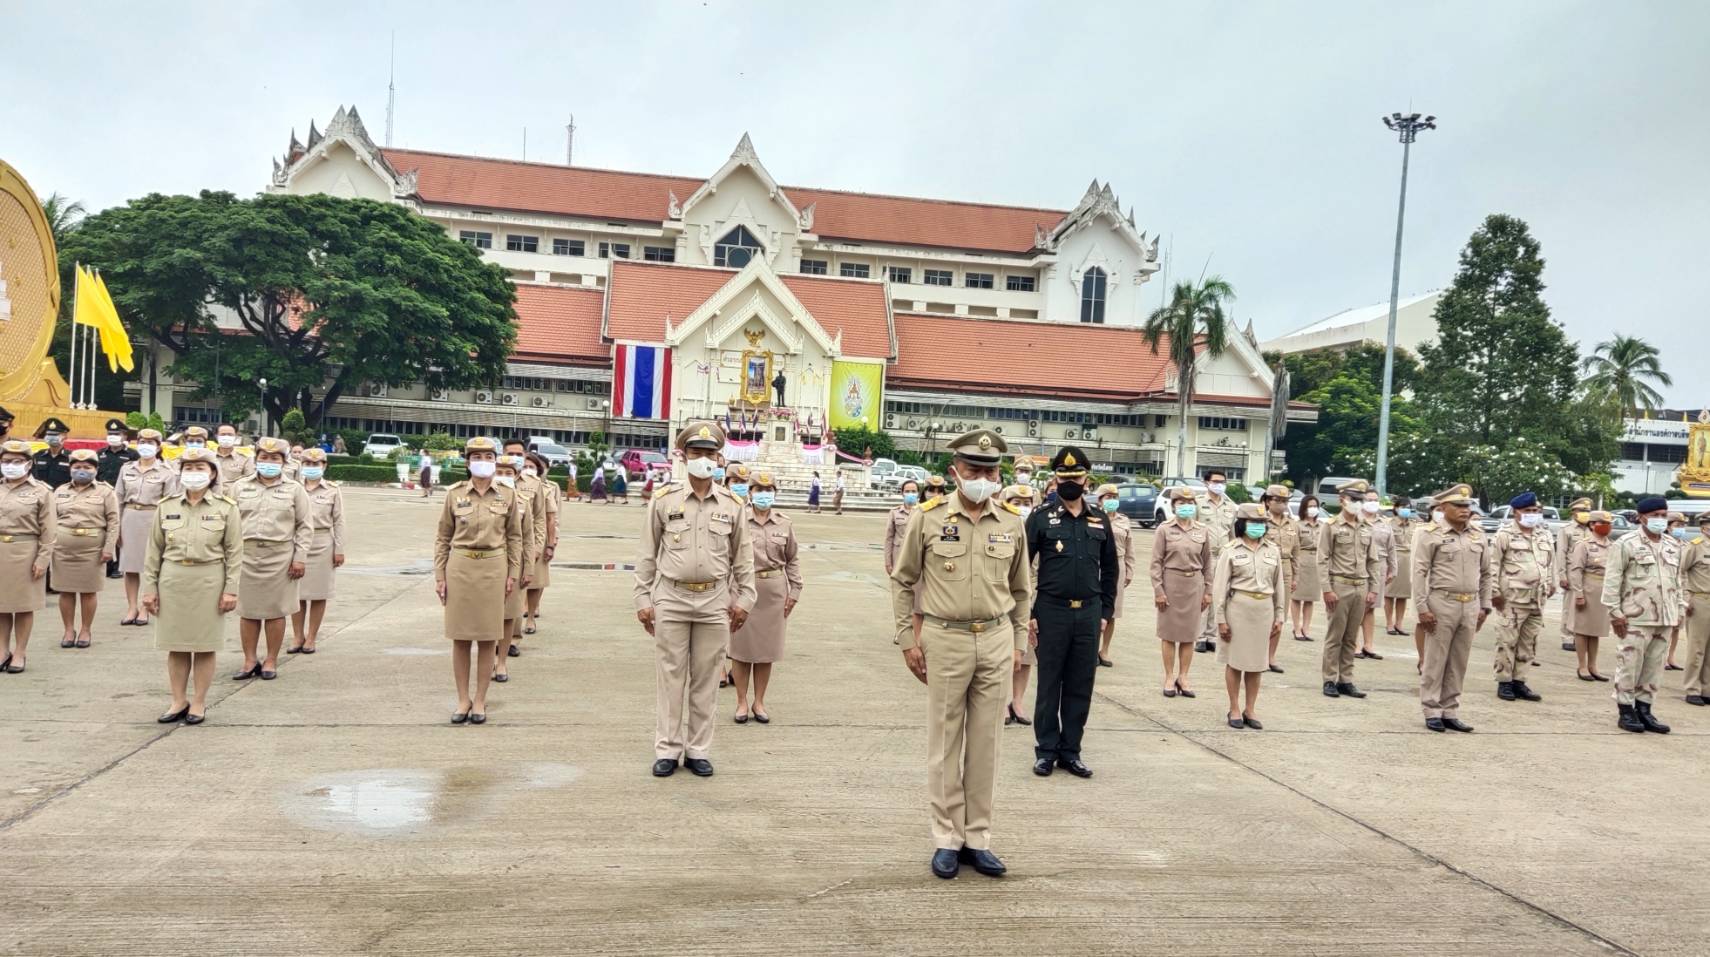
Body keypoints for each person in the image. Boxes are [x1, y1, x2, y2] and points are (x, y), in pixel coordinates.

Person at [889, 429, 1029, 880]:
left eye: (990, 471)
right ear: (955, 472)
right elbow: (903, 579)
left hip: (994, 637)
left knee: (987, 743)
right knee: (946, 741)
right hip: (945, 637)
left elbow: (1023, 590)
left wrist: (1019, 644)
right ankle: (946, 836)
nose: (982, 478)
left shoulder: (1011, 522)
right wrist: (907, 640)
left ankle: (978, 838)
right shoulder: (927, 518)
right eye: (974, 470)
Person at [635, 422, 753, 776]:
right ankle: (668, 749)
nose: (703, 459)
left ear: (720, 458)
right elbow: (646, 553)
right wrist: (642, 598)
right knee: (671, 676)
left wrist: (745, 599)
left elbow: (743, 558)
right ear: (683, 456)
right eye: (696, 453)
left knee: (706, 678)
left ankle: (698, 748)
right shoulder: (664, 500)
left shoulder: (733, 505)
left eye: (709, 453)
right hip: (671, 597)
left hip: (715, 600)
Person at [1024, 447, 1117, 778]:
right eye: (1064, 478)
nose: (1070, 483)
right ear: (1055, 479)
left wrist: (1106, 610)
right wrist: (1029, 612)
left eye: (1075, 478)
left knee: (1081, 683)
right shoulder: (1040, 517)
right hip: (1051, 611)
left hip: (1089, 614)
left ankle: (1071, 751)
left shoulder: (1099, 519)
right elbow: (1021, 567)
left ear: (1086, 479)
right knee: (1050, 683)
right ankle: (1046, 751)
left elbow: (1110, 570)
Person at [141, 447, 240, 724]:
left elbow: (234, 552)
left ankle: (198, 702)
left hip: (209, 579)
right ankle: (177, 700)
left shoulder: (225, 508)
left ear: (212, 474)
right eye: (188, 467)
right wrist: (149, 589)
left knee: (205, 645)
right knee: (177, 644)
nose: (193, 473)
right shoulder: (166, 506)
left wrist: (231, 589)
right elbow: (153, 551)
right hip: (172, 580)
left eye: (200, 468)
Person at [434, 437, 523, 725]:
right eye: (476, 456)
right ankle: (463, 699)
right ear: (467, 461)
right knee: (460, 638)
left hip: (494, 566)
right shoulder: (455, 494)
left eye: (488, 455)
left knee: (488, 638)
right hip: (460, 566)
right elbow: (443, 537)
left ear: (495, 460)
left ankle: (481, 700)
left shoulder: (507, 495)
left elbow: (514, 537)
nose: (482, 460)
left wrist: (513, 573)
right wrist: (440, 575)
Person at [229, 437, 312, 682]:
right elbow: (229, 523)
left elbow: (304, 526)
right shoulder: (240, 486)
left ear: (284, 462)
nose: (268, 462)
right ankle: (249, 659)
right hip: (246, 555)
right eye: (263, 457)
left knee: (276, 612)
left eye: (274, 458)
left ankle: (271, 659)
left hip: (280, 556)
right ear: (256, 460)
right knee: (248, 611)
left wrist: (300, 558)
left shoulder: (295, 489)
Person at [1411, 483, 1491, 732]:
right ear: (1443, 507)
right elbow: (1419, 572)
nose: (1465, 510)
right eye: (1458, 505)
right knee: (1436, 659)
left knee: (1459, 660)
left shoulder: (1478, 535)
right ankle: (1432, 709)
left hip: (1470, 603)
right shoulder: (1430, 534)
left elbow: (1487, 573)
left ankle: (1450, 709)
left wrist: (1485, 606)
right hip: (1441, 602)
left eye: (1467, 505)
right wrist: (1422, 608)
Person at [1603, 496, 1682, 733]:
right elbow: (1612, 580)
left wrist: (1679, 607)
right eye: (1655, 515)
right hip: (1635, 616)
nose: (1660, 519)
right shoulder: (1626, 543)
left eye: (1663, 514)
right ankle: (1626, 710)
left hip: (1665, 617)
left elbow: (1677, 580)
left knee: (1654, 666)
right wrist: (1615, 612)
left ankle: (1645, 709)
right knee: (1629, 663)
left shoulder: (1672, 545)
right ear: (1641, 517)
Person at [729, 470, 801, 724]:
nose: (764, 494)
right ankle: (741, 701)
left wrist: (795, 590)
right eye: (759, 490)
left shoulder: (784, 523)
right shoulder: (739, 519)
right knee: (740, 650)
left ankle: (759, 701)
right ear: (750, 493)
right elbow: (727, 557)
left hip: (773, 591)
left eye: (769, 490)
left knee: (765, 652)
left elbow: (792, 559)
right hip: (744, 587)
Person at [1214, 503, 1285, 729]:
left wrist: (1280, 614)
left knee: (1257, 664)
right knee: (1235, 662)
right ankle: (1234, 707)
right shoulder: (1231, 550)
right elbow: (1220, 588)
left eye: (1262, 523)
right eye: (1254, 523)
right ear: (1242, 524)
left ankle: (1250, 708)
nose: (1258, 527)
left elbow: (1279, 584)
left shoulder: (1272, 550)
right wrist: (1221, 619)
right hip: (1238, 610)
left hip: (1264, 609)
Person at [1490, 491, 1555, 703]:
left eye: (1536, 511)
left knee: (1529, 642)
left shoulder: (1543, 534)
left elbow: (1550, 563)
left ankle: (1520, 680)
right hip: (1512, 598)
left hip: (1537, 599)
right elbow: (1492, 565)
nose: (1533, 514)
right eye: (1528, 511)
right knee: (1507, 641)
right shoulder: (1505, 535)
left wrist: (1551, 583)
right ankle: (1504, 681)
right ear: (1516, 513)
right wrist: (1494, 592)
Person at [50, 449, 119, 649]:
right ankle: (68, 629)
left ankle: (86, 629)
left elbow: (113, 522)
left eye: (87, 467)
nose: (82, 470)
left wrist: (109, 548)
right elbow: (50, 520)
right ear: (70, 469)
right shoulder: (60, 491)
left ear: (96, 469)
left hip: (93, 549)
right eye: (77, 467)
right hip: (63, 548)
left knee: (89, 592)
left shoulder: (106, 491)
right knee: (65, 591)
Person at [1318, 479, 1379, 699]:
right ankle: (1329, 679)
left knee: (1352, 637)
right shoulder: (1331, 526)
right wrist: (1327, 589)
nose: (1357, 503)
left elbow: (1373, 560)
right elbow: (1322, 559)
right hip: (1340, 584)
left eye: (1360, 500)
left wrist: (1374, 588)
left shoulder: (1366, 527)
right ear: (1342, 500)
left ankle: (1346, 679)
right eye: (1353, 499)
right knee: (1335, 635)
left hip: (1360, 586)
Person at [0, 439, 57, 674]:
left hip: (25, 551)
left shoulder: (42, 491)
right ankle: (2, 650)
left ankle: (20, 651)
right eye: (5, 461)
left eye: (17, 461)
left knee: (23, 607)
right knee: (1, 607)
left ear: (29, 463)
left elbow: (49, 530)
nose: (10, 465)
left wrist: (43, 559)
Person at [1151, 486, 1212, 698]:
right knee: (1168, 635)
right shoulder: (1165, 529)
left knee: (1189, 636)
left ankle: (1183, 676)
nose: (1186, 507)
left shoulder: (1202, 530)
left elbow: (1207, 565)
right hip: (1171, 583)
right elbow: (1156, 563)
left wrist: (1208, 591)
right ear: (1174, 505)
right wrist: (1158, 590)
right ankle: (1169, 676)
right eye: (1181, 503)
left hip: (1194, 584)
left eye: (1189, 503)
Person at [115, 429, 178, 626]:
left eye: (151, 442)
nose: (146, 445)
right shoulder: (126, 468)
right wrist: (116, 526)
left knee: (151, 565)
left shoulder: (167, 472)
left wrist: (168, 528)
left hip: (154, 518)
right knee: (130, 566)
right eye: (142, 441)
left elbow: (170, 501)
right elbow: (118, 497)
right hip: (130, 516)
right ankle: (132, 606)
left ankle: (145, 606)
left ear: (159, 447)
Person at [288, 448, 344, 655]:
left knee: (319, 594)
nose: (312, 468)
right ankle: (297, 636)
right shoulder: (293, 488)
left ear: (324, 466)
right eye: (308, 464)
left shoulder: (332, 489)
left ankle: (311, 637)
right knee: (297, 593)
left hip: (322, 543)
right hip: (296, 542)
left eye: (316, 464)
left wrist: (339, 548)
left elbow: (339, 521)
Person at [489, 455, 539, 682]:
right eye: (499, 471)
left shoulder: (522, 502)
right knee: (488, 616)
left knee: (509, 615)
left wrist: (528, 568)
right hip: (489, 564)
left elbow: (527, 538)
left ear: (517, 475)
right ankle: (488, 659)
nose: (503, 476)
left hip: (514, 565)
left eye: (508, 472)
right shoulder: (482, 498)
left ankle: (501, 662)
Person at [1002, 483, 1039, 726]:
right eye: (1016, 503)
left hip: (1032, 602)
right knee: (1003, 655)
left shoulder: (1041, 530)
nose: (1023, 508)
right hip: (1003, 601)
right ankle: (1003, 702)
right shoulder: (999, 529)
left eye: (1027, 504)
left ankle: (1018, 701)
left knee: (1026, 655)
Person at [1193, 471, 1238, 653]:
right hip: (1205, 554)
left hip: (1225, 555)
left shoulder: (1230, 506)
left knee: (1220, 595)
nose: (1219, 485)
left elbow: (1233, 533)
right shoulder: (1198, 503)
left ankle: (1212, 636)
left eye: (1222, 482)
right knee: (1204, 594)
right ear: (1206, 483)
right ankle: (1200, 636)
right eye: (1215, 481)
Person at [1093, 483, 1137, 669]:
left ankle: (1104, 650)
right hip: (1095, 565)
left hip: (1117, 566)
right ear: (1100, 500)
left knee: (1111, 611)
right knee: (1093, 609)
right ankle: (1091, 649)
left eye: (1114, 497)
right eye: (1108, 497)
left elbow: (1129, 547)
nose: (1112, 501)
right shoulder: (1093, 518)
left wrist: (1129, 569)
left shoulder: (1124, 520)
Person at [1568, 510, 1615, 683]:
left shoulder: (1612, 545)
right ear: (1592, 525)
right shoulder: (1584, 544)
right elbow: (1576, 570)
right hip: (1587, 589)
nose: (1606, 527)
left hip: (1603, 592)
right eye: (1602, 523)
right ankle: (1582, 665)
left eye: (1608, 523)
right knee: (1582, 630)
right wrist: (1579, 593)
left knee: (1595, 631)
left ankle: (1593, 665)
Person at [1260, 485, 1299, 673]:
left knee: (1279, 615)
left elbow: (1296, 553)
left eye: (1285, 501)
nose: (1282, 504)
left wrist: (1295, 576)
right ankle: (1258, 656)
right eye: (1278, 500)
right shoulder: (1260, 520)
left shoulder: (1292, 524)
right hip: (1265, 569)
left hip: (1285, 569)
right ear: (1268, 501)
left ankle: (1270, 657)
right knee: (1262, 614)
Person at [521, 452, 558, 639]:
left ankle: (530, 618)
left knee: (535, 582)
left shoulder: (546, 489)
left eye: (532, 467)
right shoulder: (510, 484)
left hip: (538, 539)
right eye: (524, 466)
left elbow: (551, 518)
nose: (527, 470)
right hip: (515, 539)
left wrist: (550, 544)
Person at [1357, 489, 1397, 660]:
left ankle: (1368, 644)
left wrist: (1392, 569)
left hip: (1379, 567)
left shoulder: (1384, 523)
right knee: (1358, 606)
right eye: (1369, 499)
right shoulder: (1356, 520)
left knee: (1371, 607)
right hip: (1359, 566)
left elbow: (1391, 548)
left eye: (1375, 499)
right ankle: (1354, 643)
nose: (1373, 502)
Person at [884, 479, 923, 647]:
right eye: (907, 491)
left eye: (914, 491)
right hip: (899, 560)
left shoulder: (923, 511)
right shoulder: (894, 513)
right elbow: (888, 538)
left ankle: (917, 631)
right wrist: (888, 562)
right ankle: (901, 631)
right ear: (902, 493)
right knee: (901, 598)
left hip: (919, 562)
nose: (911, 494)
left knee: (918, 599)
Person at [98, 419, 137, 581]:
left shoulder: (133, 455)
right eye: (110, 434)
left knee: (120, 531)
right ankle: (106, 563)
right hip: (102, 497)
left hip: (122, 497)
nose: (113, 436)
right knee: (104, 530)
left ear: (124, 435)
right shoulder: (100, 453)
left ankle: (119, 565)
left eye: (117, 434)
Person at [1679, 512, 1710, 705]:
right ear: (1704, 527)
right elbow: (1680, 572)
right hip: (1700, 600)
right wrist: (1685, 599)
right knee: (1697, 647)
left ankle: (1707, 688)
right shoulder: (1696, 546)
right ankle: (1692, 688)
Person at [1556, 497, 1594, 652]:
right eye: (1582, 511)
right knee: (1570, 606)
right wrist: (1562, 576)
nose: (1585, 514)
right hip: (1572, 573)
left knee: (1586, 606)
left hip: (1589, 574)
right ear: (1573, 512)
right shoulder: (1567, 530)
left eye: (1587, 511)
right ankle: (1567, 636)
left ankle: (1581, 636)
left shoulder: (1592, 530)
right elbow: (1561, 553)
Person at [1383, 496, 1420, 636]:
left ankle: (1399, 623)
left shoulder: (1414, 524)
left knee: (1403, 595)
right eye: (1402, 507)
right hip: (1393, 558)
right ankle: (1389, 623)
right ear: (1396, 508)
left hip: (1408, 560)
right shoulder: (1388, 523)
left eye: (1407, 507)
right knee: (1389, 593)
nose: (1405, 509)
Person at [1290, 495, 1323, 641]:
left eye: (1315, 506)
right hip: (1301, 561)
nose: (1313, 509)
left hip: (1316, 563)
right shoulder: (1297, 525)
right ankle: (1296, 628)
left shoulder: (1322, 525)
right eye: (1310, 506)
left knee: (1310, 598)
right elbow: (1294, 546)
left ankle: (1306, 628)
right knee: (1297, 597)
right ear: (1304, 508)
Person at [1667, 510, 1690, 671]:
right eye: (1677, 525)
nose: (1680, 528)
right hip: (1667, 589)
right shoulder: (1663, 543)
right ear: (1668, 527)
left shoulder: (1687, 546)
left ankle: (1671, 657)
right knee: (1666, 626)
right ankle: (1661, 658)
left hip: (1683, 589)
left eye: (1682, 525)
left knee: (1677, 626)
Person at [31, 417, 72, 488]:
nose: (51, 437)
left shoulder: (71, 457)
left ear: (65, 436)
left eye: (55, 434)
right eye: (49, 434)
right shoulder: (37, 456)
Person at [213, 423, 255, 487]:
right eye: (223, 434)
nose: (226, 437)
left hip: (233, 495)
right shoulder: (208, 456)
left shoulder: (246, 458)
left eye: (230, 435)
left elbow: (249, 480)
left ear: (236, 436)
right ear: (216, 436)